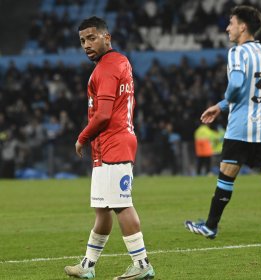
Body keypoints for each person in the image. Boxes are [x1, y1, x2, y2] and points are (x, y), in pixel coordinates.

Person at [185, 5, 261, 239]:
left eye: (231, 23)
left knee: (226, 175)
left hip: (241, 126)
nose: (227, 28)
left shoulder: (237, 52)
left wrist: (222, 104)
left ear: (243, 26)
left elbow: (236, 85)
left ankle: (211, 226)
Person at [64, 17, 155, 280]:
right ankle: (88, 266)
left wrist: (82, 137)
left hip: (113, 143)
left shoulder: (105, 68)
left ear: (107, 37)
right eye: (82, 40)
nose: (86, 45)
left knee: (122, 206)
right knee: (102, 209)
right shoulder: (120, 61)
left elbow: (103, 114)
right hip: (109, 145)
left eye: (92, 38)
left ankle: (142, 265)